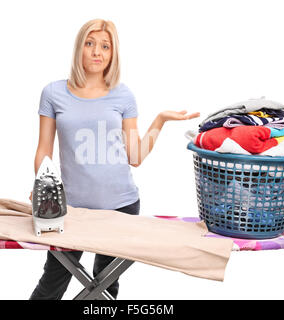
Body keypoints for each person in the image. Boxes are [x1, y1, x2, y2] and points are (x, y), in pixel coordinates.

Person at [29, 19, 199, 300]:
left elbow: (135, 157)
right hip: (71, 211)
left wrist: (160, 120)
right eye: (90, 43)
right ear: (79, 49)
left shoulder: (123, 95)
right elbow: (43, 150)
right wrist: (42, 183)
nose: (97, 52)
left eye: (105, 46)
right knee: (53, 280)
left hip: (121, 206)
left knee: (105, 287)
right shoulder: (53, 93)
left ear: (112, 53)